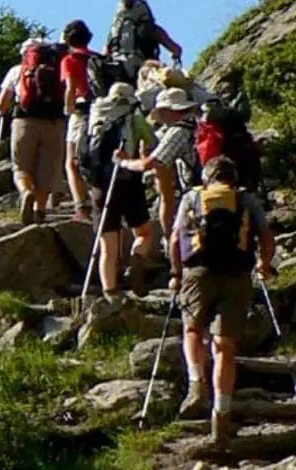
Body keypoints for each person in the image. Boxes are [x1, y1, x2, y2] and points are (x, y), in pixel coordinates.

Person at [170, 155, 275, 446]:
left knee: (192, 329)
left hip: (198, 273)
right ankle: (222, 413)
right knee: (225, 347)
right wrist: (264, 266)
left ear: (207, 176)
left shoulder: (193, 197)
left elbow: (175, 238)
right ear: (233, 177)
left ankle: (196, 383)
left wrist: (176, 274)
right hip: (237, 275)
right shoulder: (246, 199)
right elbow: (266, 235)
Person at [85, 82, 158, 300]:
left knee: (108, 244)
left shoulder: (95, 116)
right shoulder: (134, 119)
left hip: (100, 185)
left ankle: (111, 293)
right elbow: (152, 141)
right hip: (129, 182)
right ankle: (137, 258)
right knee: (144, 232)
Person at [0, 33, 67, 225]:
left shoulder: (17, 71)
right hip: (54, 122)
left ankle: (26, 192)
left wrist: (3, 112)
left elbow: (2, 104)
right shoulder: (59, 69)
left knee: (21, 167)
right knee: (47, 170)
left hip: (24, 122)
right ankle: (39, 211)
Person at [147, 87, 200, 237]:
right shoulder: (199, 122)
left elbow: (155, 161)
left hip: (197, 190)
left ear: (169, 110)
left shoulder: (179, 130)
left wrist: (124, 162)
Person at [60, 21, 98, 222]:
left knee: (72, 161)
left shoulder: (69, 59)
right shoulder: (98, 58)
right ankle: (99, 199)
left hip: (80, 112)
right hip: (100, 112)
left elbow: (71, 87)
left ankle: (82, 207)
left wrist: (68, 108)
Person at [110, 0, 186, 67]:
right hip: (144, 67)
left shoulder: (114, 33)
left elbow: (105, 53)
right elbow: (176, 49)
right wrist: (175, 55)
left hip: (120, 67)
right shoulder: (152, 29)